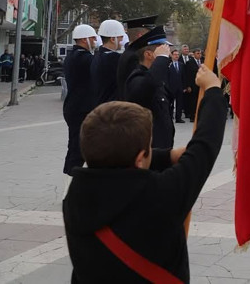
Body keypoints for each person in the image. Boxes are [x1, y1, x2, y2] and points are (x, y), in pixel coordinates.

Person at [63, 65, 225, 283]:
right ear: (140, 158)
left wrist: (166, 156)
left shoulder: (75, 196)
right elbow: (205, 145)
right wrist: (214, 90)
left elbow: (114, 161)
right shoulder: (160, 194)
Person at [122, 26, 175, 148]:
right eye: (162, 51)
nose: (168, 55)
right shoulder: (136, 78)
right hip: (147, 151)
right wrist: (161, 59)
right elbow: (148, 86)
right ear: (148, 54)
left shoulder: (156, 77)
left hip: (162, 148)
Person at [63, 24, 98, 175]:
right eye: (93, 38)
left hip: (74, 106)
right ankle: (71, 185)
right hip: (81, 108)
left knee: (75, 146)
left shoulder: (73, 55)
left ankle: (70, 181)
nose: (95, 41)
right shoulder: (83, 57)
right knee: (78, 148)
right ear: (84, 40)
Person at [116, 15, 158, 97]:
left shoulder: (129, 52)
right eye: (150, 34)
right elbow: (138, 88)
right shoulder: (134, 56)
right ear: (140, 36)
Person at [92, 19, 126, 107]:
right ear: (112, 39)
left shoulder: (97, 56)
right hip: (112, 107)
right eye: (120, 37)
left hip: (100, 105)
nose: (122, 40)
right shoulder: (113, 58)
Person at [167, 49, 186, 123]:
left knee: (179, 103)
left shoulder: (181, 65)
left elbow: (184, 76)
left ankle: (178, 118)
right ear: (171, 55)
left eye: (178, 54)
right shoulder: (168, 65)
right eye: (175, 54)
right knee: (170, 103)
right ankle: (170, 117)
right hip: (171, 87)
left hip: (180, 87)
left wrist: (184, 87)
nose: (176, 56)